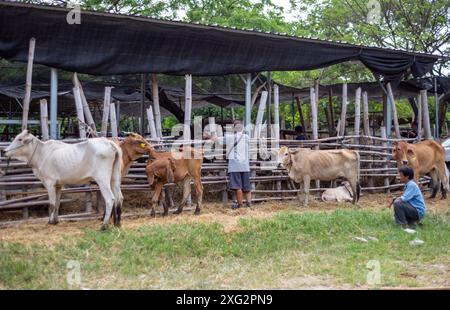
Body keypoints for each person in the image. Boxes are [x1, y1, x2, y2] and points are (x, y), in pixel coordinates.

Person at [207, 120, 252, 209]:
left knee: (238, 186)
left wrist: (210, 135)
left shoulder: (230, 137)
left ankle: (240, 205)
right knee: (247, 186)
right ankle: (249, 204)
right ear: (242, 128)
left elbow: (215, 139)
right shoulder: (247, 137)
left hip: (235, 166)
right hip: (245, 166)